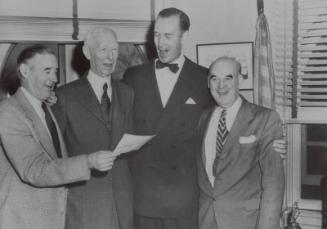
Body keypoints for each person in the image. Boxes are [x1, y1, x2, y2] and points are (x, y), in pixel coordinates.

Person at [123, 7, 286, 229]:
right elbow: (114, 122)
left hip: (186, 202)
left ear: (184, 36)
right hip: (144, 199)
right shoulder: (133, 77)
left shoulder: (203, 78)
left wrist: (270, 142)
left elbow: (234, 117)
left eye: (168, 36)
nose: (161, 43)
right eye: (157, 35)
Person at [0, 45, 117, 229]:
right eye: (47, 71)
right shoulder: (9, 111)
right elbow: (34, 169)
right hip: (23, 221)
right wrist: (88, 162)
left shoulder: (45, 107)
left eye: (55, 72)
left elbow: (54, 157)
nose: (54, 79)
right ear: (24, 71)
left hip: (50, 219)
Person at [52, 27, 133, 229]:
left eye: (114, 49)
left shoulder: (128, 93)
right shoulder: (64, 97)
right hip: (85, 204)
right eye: (103, 49)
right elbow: (55, 157)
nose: (110, 57)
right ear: (87, 53)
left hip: (123, 202)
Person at [196, 56, 284, 229]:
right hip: (207, 220)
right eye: (215, 78)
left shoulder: (265, 118)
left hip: (246, 222)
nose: (221, 86)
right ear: (208, 83)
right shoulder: (203, 118)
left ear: (240, 80)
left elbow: (273, 185)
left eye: (228, 77)